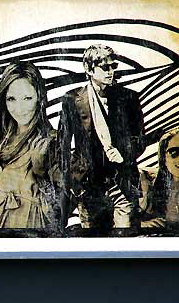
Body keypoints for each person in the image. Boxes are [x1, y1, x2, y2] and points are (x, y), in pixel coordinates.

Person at [58, 44, 146, 232]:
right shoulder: (72, 100)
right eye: (104, 67)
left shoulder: (128, 98)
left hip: (122, 182)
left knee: (125, 238)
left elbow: (140, 139)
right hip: (88, 187)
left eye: (113, 66)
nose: (110, 72)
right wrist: (71, 182)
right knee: (93, 241)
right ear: (89, 69)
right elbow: (62, 145)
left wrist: (123, 153)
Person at [0, 61, 59, 230]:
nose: (19, 108)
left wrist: (41, 174)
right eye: (12, 99)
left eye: (27, 98)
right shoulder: (0, 138)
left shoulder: (49, 142)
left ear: (39, 97)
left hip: (29, 228)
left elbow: (62, 209)